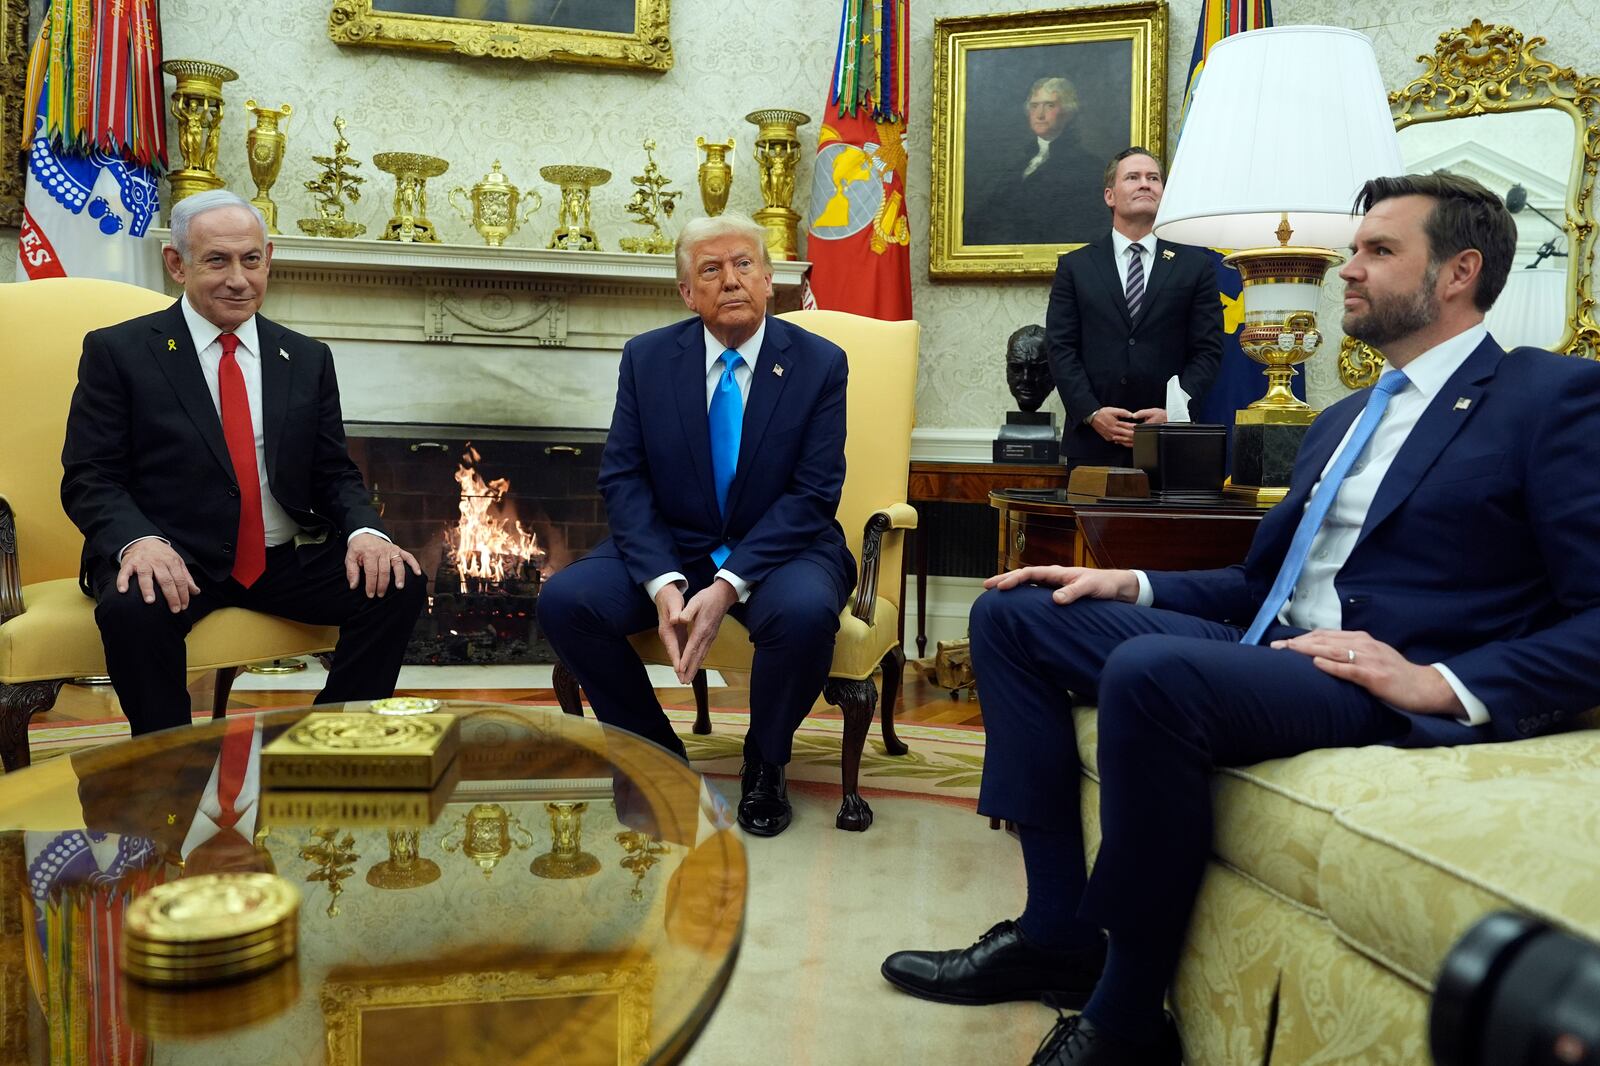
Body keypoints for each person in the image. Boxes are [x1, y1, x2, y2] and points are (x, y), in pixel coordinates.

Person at [880, 170, 1600, 1065]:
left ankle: (1127, 1017)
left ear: (1458, 272)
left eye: (1380, 251)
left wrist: (1443, 684)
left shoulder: (1546, 398)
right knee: (1017, 611)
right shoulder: (1343, 420)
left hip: (1372, 678)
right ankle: (1056, 932)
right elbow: (1261, 585)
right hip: (1270, 646)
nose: (1350, 270)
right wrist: (1133, 585)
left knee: (1154, 677)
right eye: (1355, 249)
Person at [61, 189, 426, 736]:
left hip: (280, 559)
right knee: (131, 610)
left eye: (251, 260)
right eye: (218, 261)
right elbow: (91, 475)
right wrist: (140, 542)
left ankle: (334, 739)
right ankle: (167, 764)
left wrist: (366, 531)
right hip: (174, 555)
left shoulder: (305, 357)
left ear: (268, 258)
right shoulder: (120, 352)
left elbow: (332, 471)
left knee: (397, 581)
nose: (239, 278)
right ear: (176, 264)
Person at [537, 215, 854, 838]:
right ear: (687, 293)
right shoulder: (648, 358)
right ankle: (654, 758)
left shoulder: (820, 364)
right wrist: (662, 582)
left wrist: (729, 583)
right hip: (675, 544)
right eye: (710, 269)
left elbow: (814, 494)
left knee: (804, 614)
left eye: (743, 265)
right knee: (567, 600)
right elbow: (624, 480)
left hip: (786, 546)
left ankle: (765, 759)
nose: (730, 280)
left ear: (768, 280)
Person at [1046, 147, 1223, 469]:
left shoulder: (1196, 266)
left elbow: (1207, 350)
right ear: (1110, 196)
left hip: (1170, 442)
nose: (1145, 184)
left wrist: (1175, 411)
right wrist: (1092, 412)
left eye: (1153, 178)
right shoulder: (1076, 266)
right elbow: (1061, 349)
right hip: (1093, 442)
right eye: (1133, 177)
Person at [967, 77, 1107, 248]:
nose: (1040, 114)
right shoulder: (1018, 164)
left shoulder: (1089, 167)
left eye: (1049, 105)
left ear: (1068, 112)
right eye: (1034, 106)